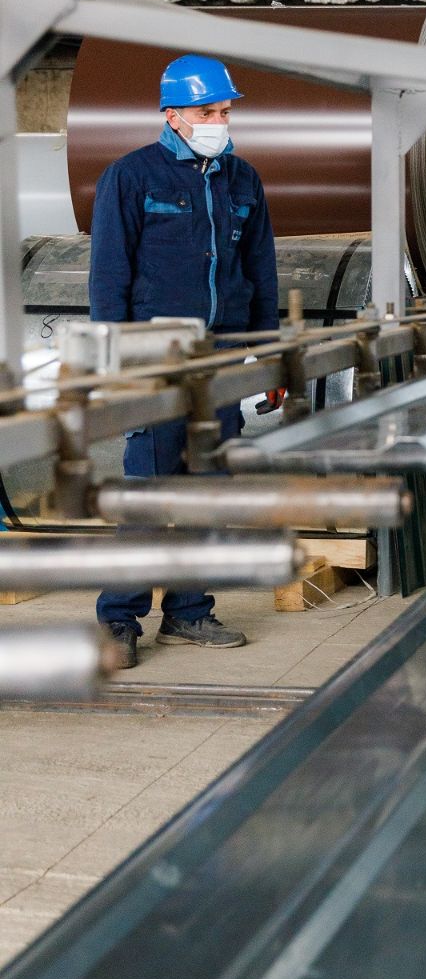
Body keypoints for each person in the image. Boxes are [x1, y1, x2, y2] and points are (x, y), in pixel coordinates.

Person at [89, 55, 279, 668]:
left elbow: (261, 272)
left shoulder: (243, 180)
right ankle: (119, 619)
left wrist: (269, 355)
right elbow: (109, 276)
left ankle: (189, 612)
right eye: (207, 112)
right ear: (172, 115)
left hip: (222, 355)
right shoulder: (131, 176)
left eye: (225, 112)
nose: (219, 122)